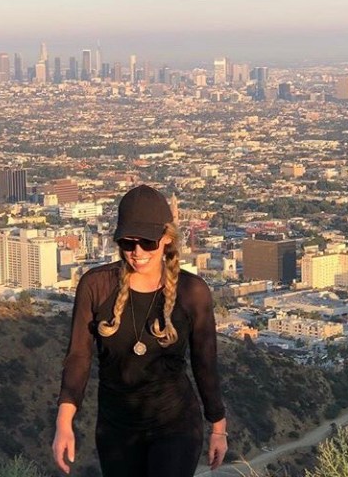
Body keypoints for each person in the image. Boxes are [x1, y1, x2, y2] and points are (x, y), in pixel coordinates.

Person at [52, 184, 228, 477]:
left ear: (166, 239)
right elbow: (78, 357)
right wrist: (63, 423)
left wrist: (218, 427)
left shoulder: (191, 292)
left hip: (176, 426)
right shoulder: (96, 287)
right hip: (116, 430)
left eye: (148, 243)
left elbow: (205, 362)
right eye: (127, 243)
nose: (137, 252)